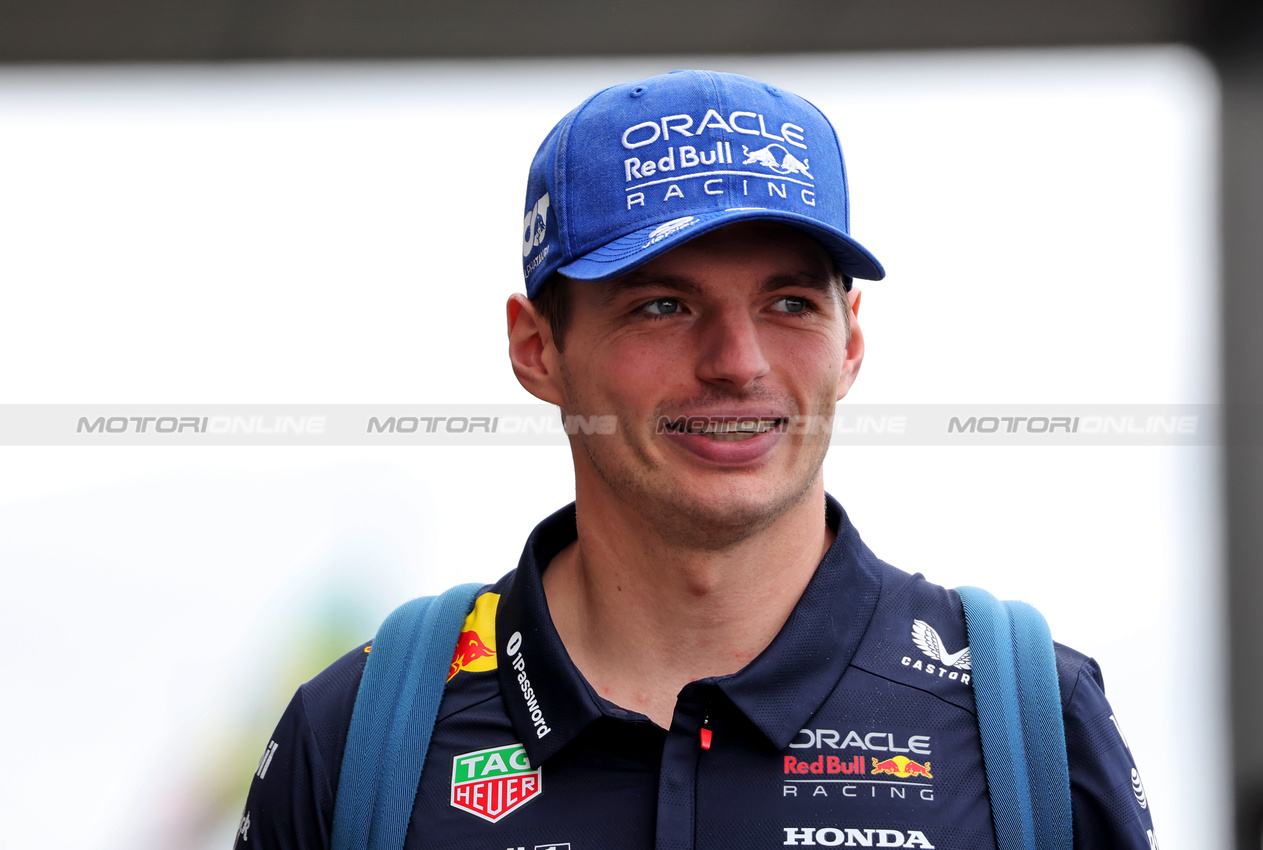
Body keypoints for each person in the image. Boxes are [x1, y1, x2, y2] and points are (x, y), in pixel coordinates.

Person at [236, 69, 1158, 849]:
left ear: (849, 342)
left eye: (790, 303)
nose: (737, 363)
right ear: (537, 349)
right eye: (661, 306)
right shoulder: (360, 731)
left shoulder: (1028, 717)